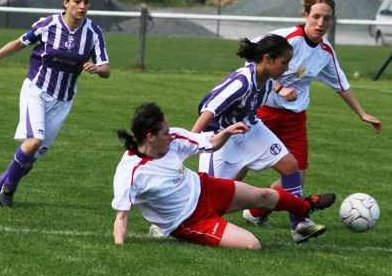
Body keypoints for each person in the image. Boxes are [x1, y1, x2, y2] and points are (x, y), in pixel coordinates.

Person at [112, 103, 335, 249]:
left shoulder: (175, 139)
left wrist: (227, 132)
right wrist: (120, 249)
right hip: (191, 221)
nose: (171, 135)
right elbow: (121, 218)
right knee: (252, 245)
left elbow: (210, 144)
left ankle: (305, 207)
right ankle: (161, 230)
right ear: (150, 137)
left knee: (265, 196)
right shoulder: (130, 172)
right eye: (165, 132)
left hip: (206, 188)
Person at [245, 0, 382, 226]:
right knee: (240, 165)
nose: (321, 23)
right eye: (316, 16)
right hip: (263, 112)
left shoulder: (325, 52)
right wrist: (278, 89)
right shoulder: (285, 39)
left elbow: (341, 84)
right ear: (305, 14)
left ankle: (258, 212)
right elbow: (252, 58)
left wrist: (362, 113)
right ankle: (206, 205)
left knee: (295, 177)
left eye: (326, 18)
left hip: (295, 119)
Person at [191, 34, 331, 243]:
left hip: (250, 128)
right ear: (267, 59)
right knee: (208, 201)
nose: (286, 68)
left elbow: (264, 94)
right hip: (220, 137)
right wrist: (190, 143)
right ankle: (170, 221)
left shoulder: (267, 81)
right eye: (284, 63)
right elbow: (207, 110)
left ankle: (299, 224)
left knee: (290, 166)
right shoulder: (241, 82)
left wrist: (281, 90)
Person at [0, 0, 110, 207]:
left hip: (63, 101)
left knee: (31, 159)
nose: (82, 6)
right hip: (37, 91)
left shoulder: (93, 33)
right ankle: (8, 191)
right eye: (77, 1)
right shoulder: (48, 25)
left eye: (86, 2)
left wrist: (96, 69)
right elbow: (19, 43)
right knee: (34, 140)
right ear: (65, 2)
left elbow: (106, 69)